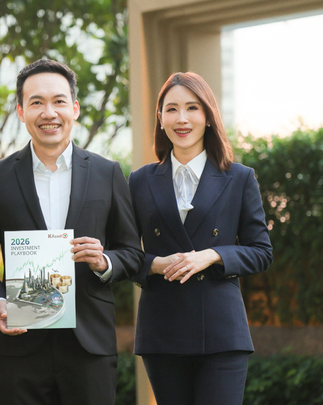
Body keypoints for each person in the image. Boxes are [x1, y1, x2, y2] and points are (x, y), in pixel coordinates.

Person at [0, 58, 143, 405]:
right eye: (37, 102)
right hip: (20, 347)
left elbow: (133, 254)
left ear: (74, 108)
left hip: (89, 347)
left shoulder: (107, 173)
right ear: (21, 111)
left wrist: (104, 262)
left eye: (59, 101)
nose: (49, 113)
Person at [128, 72, 273, 405]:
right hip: (162, 328)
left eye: (192, 108)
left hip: (222, 330)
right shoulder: (139, 181)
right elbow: (125, 253)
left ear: (208, 116)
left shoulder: (239, 178)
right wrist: (155, 264)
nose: (182, 118)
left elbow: (261, 252)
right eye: (172, 109)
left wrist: (212, 255)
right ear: (160, 118)